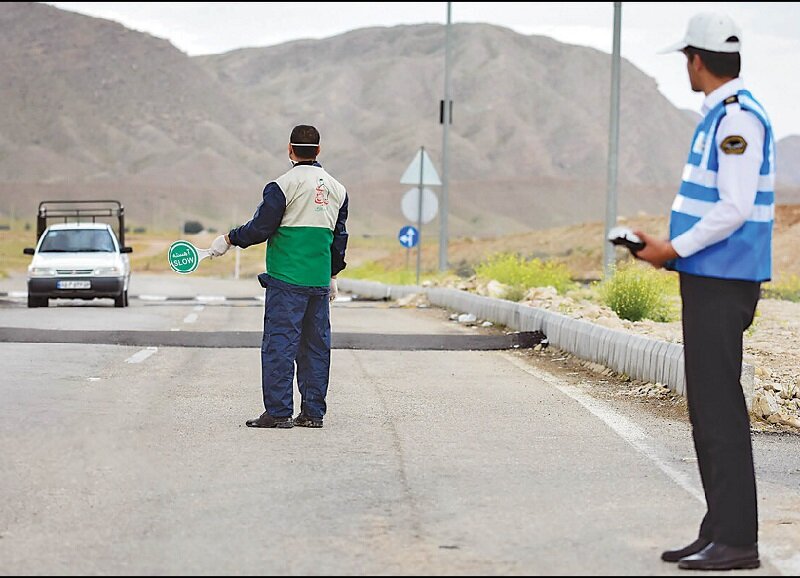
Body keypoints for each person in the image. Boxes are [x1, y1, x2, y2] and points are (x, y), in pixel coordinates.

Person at [635, 12, 774, 571]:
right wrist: (674, 250)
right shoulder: (720, 115)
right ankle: (719, 528)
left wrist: (673, 248)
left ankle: (738, 539)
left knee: (719, 409)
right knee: (709, 408)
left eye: (685, 59)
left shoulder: (738, 120)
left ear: (697, 59)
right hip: (709, 277)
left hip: (723, 281)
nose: (686, 68)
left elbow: (735, 208)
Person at [207, 125, 349, 429]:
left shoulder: (281, 186)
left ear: (290, 149)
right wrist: (333, 274)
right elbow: (339, 238)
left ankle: (279, 412)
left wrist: (229, 240)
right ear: (319, 151)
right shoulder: (338, 190)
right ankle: (313, 413)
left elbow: (260, 228)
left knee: (280, 345)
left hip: (286, 280)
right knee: (315, 347)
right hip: (318, 283)